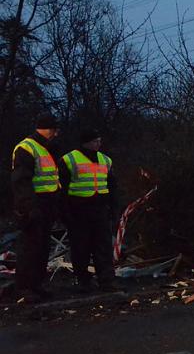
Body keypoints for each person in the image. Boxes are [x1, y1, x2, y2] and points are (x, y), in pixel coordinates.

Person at [59, 128, 119, 292]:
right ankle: (84, 281)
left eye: (99, 141)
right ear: (87, 142)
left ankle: (107, 280)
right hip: (78, 209)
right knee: (81, 248)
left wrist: (114, 208)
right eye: (96, 141)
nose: (99, 144)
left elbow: (112, 186)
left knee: (103, 247)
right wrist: (65, 212)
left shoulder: (105, 160)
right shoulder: (69, 159)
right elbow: (62, 189)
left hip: (100, 209)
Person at [10, 112, 62, 300]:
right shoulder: (27, 148)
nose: (56, 134)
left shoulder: (46, 147)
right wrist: (29, 207)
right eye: (54, 131)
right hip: (33, 205)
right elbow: (21, 181)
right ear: (48, 129)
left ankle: (37, 284)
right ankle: (25, 287)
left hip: (47, 204)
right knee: (30, 247)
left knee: (42, 247)